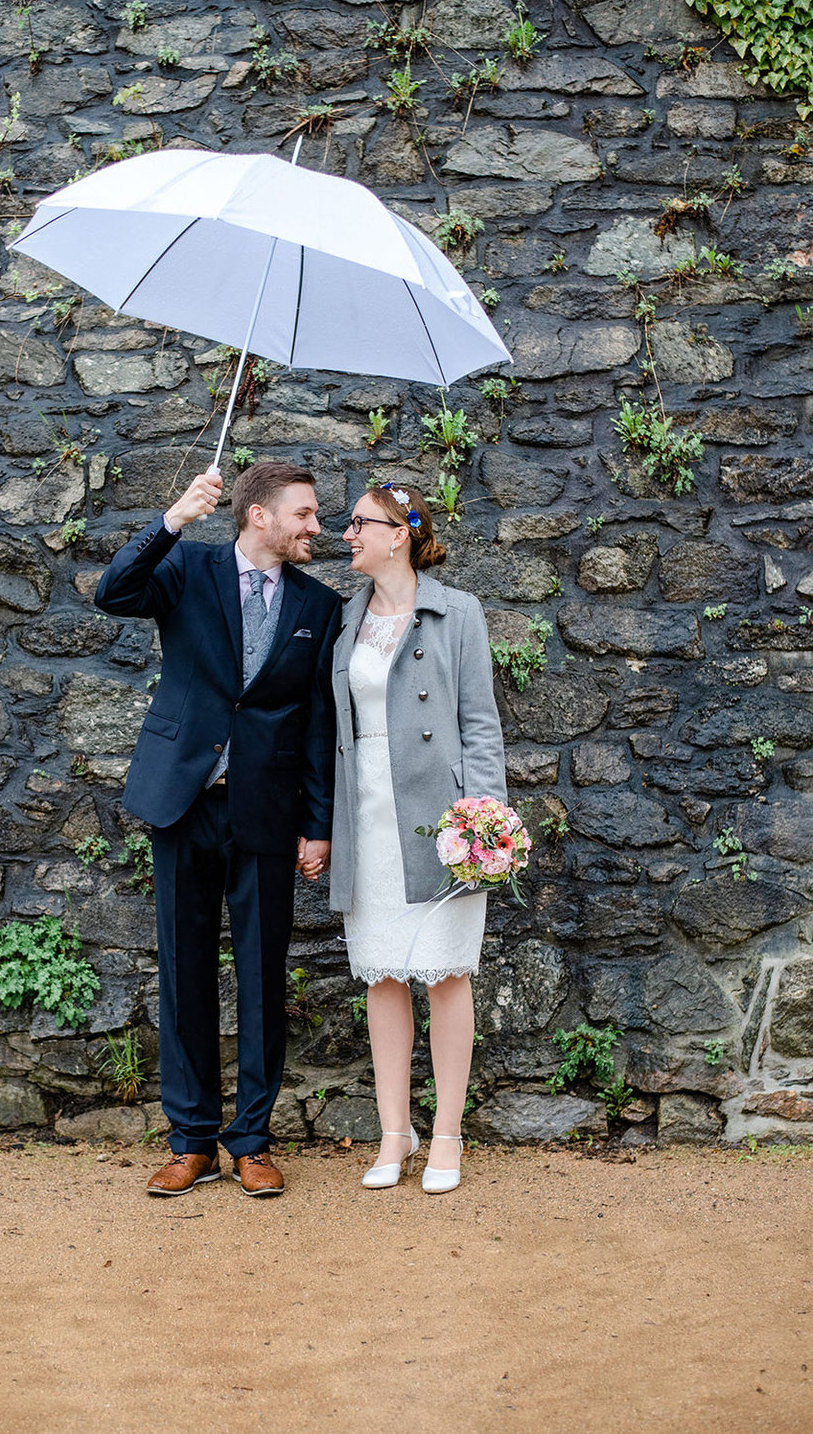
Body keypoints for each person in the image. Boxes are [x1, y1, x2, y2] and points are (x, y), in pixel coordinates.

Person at [95, 462, 341, 1198]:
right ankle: (191, 1139)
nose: (316, 527)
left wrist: (319, 824)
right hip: (183, 800)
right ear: (258, 516)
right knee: (184, 971)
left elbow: (318, 725)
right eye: (303, 514)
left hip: (266, 811)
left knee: (264, 979)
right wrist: (172, 518)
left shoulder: (318, 606)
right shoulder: (188, 566)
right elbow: (114, 593)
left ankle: (253, 1142)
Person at [322, 482, 506, 1194]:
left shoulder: (457, 612)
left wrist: (484, 821)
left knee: (446, 971)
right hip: (364, 809)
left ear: (398, 533)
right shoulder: (344, 617)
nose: (346, 534)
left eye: (360, 523)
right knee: (384, 972)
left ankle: (449, 1137)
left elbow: (481, 724)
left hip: (440, 818)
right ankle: (393, 1133)